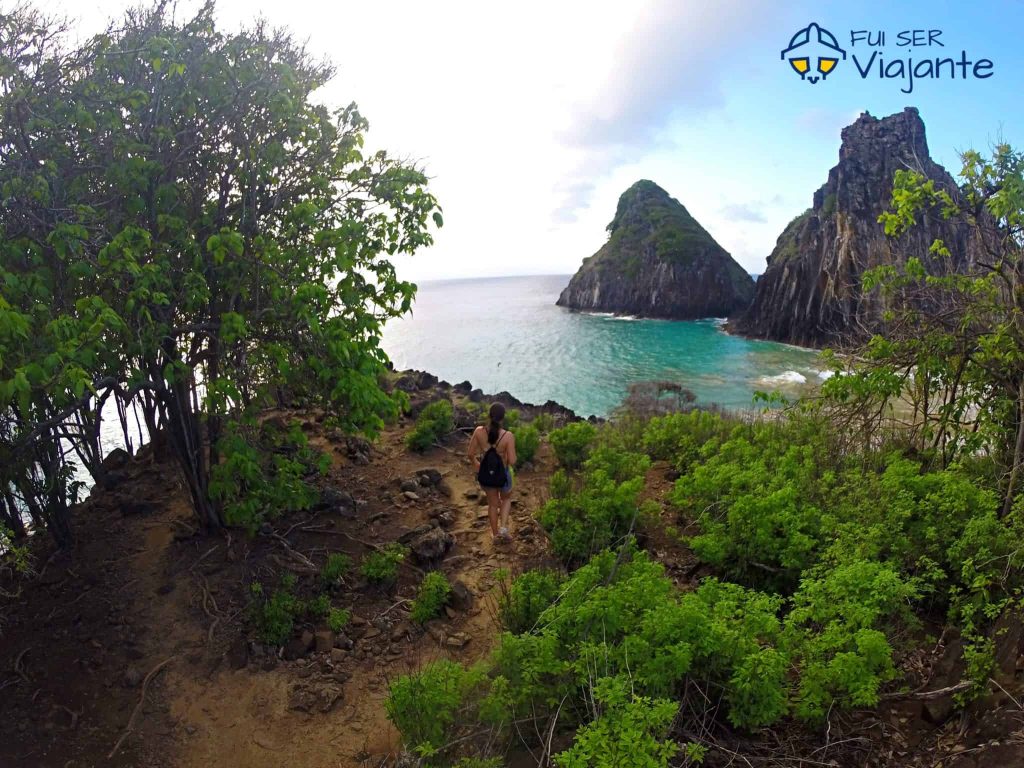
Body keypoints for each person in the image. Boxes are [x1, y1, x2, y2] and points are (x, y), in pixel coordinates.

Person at [468, 403, 516, 542]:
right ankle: (504, 529)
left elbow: (470, 454)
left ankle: (495, 535)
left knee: (493, 504)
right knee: (506, 499)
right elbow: (512, 460)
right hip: (503, 475)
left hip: (487, 475)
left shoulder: (478, 431)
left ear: (489, 415)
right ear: (503, 418)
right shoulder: (508, 436)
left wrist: (477, 464)